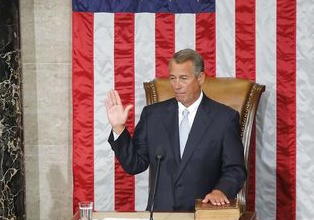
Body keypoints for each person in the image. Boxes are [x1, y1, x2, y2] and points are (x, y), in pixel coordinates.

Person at [105, 48, 247, 211]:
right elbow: (134, 165)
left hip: (202, 217)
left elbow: (235, 169)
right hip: (159, 219)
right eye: (173, 78)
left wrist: (220, 191)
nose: (177, 85)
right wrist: (119, 128)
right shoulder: (152, 116)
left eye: (183, 78)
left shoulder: (224, 118)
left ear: (200, 78)